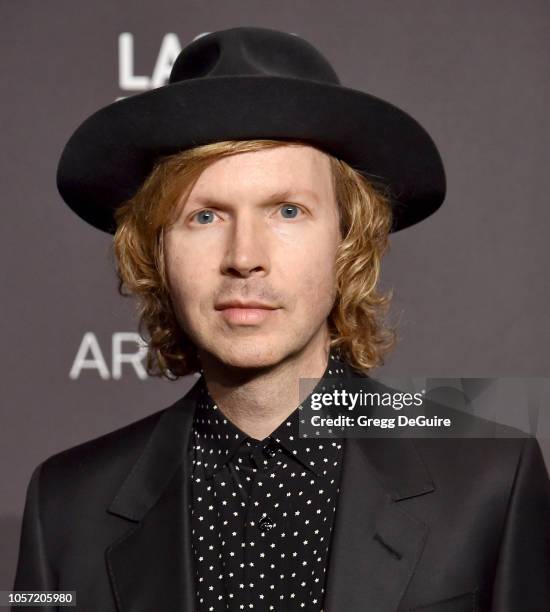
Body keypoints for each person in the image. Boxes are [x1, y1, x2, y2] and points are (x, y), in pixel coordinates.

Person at [13, 26, 550, 612]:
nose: (245, 257)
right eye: (205, 217)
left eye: (288, 211)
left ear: (347, 241)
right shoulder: (63, 507)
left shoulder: (493, 477)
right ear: (156, 251)